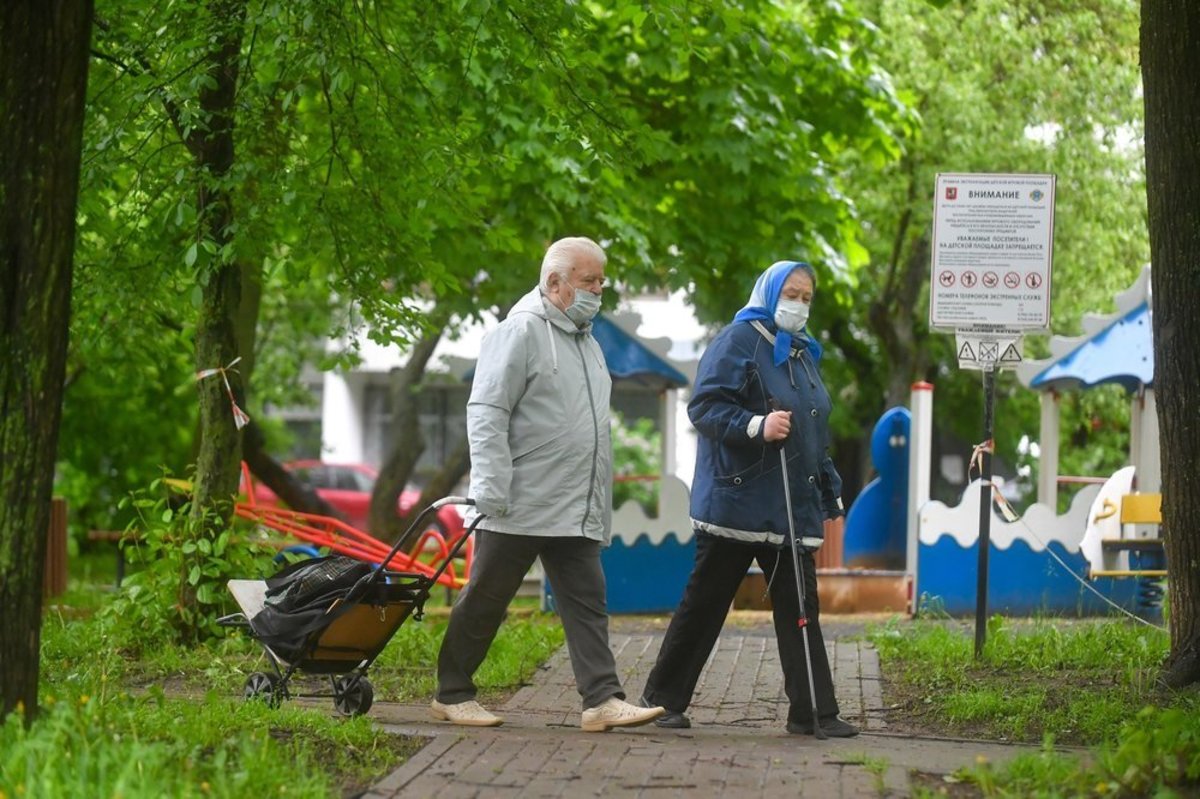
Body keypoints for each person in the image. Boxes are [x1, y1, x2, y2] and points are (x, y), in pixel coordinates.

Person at [431, 236, 665, 733]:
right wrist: (492, 485)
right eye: (588, 281)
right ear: (554, 283)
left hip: (572, 503)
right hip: (519, 499)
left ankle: (602, 698)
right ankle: (452, 693)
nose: (598, 290)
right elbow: (487, 411)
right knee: (488, 598)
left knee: (588, 598)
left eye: (601, 281)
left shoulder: (589, 343)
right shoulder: (518, 333)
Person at [639, 259, 859, 738]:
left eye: (806, 297)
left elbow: (813, 432)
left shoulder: (802, 354)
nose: (799, 304)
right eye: (791, 294)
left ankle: (814, 713)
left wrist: (827, 488)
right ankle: (661, 703)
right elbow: (705, 406)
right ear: (770, 291)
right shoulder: (738, 340)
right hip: (736, 506)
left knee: (801, 608)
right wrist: (756, 425)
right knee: (705, 605)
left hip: (787, 506)